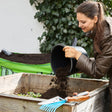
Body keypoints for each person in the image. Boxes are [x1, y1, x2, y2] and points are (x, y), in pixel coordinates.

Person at [63, 1, 112, 112]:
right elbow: (103, 61)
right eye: (78, 21)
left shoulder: (108, 37)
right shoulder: (102, 29)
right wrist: (79, 64)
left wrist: (77, 55)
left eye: (83, 21)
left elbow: (98, 71)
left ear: (95, 19)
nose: (79, 25)